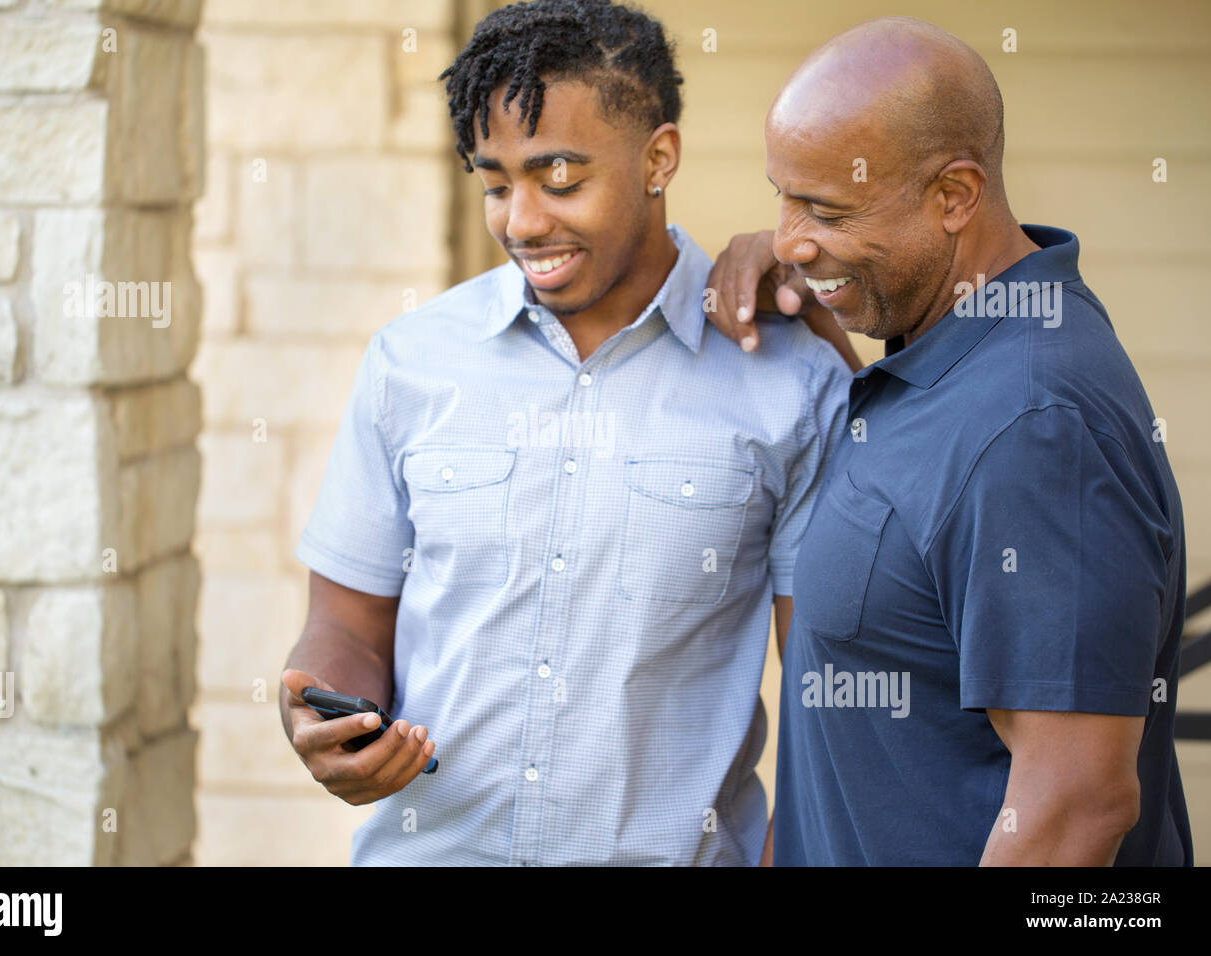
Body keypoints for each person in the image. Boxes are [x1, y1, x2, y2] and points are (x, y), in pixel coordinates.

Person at [279, 0, 851, 865]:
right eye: (497, 184)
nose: (523, 221)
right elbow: (347, 626)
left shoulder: (788, 380)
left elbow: (827, 690)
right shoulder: (411, 361)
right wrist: (334, 717)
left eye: (561, 178)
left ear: (659, 158)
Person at [707, 16, 1192, 865]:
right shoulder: (947, 354)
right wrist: (821, 283)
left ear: (955, 196)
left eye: (825, 206)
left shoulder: (1036, 425)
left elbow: (1075, 808)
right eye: (783, 196)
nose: (788, 238)